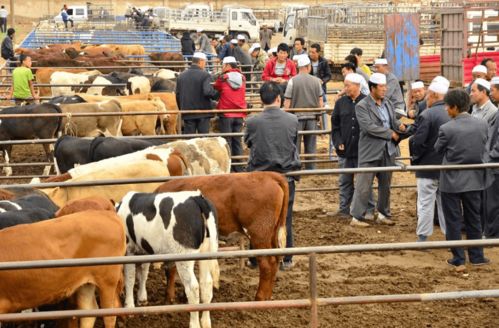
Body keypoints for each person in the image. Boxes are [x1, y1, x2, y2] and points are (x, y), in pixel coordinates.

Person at [244, 81, 301, 270]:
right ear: (279, 98)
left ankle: (255, 258)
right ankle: (286, 258)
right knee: (285, 217)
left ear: (261, 99)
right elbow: (294, 143)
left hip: (260, 177)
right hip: (285, 176)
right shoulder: (292, 120)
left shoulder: (252, 121)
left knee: (255, 218)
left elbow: (248, 144)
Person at [434, 88, 490, 267]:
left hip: (451, 182)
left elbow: (438, 149)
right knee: (474, 219)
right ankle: (477, 256)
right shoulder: (481, 124)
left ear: (455, 107)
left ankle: (458, 258)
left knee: (453, 220)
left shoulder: (446, 128)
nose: (445, 110)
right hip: (474, 179)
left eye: (447, 107)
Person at [349, 73, 406, 227]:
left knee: (385, 184)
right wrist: (390, 134)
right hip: (370, 150)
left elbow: (392, 120)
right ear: (372, 88)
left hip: (388, 150)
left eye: (385, 86)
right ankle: (356, 217)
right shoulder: (362, 106)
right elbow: (368, 127)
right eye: (381, 87)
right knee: (363, 184)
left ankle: (383, 213)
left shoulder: (387, 103)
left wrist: (399, 126)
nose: (384, 89)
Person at [408, 78, 450, 242]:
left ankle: (423, 236)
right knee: (445, 203)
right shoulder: (452, 113)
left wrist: (416, 159)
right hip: (447, 167)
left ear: (432, 94)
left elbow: (418, 142)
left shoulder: (427, 114)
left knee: (425, 202)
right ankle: (450, 235)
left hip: (427, 166)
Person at [331, 73, 375, 218]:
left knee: (364, 181)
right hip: (345, 149)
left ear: (357, 86)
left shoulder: (368, 102)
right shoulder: (340, 103)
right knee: (345, 180)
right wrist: (338, 142)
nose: (345, 88)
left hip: (363, 150)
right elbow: (335, 125)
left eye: (347, 85)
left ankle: (369, 209)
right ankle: (344, 209)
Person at [284, 56, 323, 170]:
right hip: (312, 117)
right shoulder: (316, 81)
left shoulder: (292, 81)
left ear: (299, 67)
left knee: (295, 144)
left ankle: (296, 167)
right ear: (308, 67)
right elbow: (320, 101)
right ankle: (311, 168)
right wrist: (319, 115)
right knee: (311, 144)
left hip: (296, 117)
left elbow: (287, 101)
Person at [213, 56, 246, 172]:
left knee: (227, 141)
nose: (222, 68)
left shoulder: (223, 78)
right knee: (237, 140)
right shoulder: (243, 78)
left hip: (226, 114)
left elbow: (216, 87)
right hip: (240, 114)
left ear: (227, 66)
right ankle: (239, 167)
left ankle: (229, 166)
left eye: (223, 65)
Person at [175, 52, 218, 134]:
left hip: (187, 112)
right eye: (205, 62)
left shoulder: (181, 75)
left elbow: (177, 95)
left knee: (189, 139)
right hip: (203, 112)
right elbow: (208, 92)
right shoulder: (205, 75)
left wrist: (182, 109)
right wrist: (217, 93)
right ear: (200, 61)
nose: (205, 64)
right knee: (203, 138)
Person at [484, 76, 499, 238]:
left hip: (495, 165)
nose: (491, 93)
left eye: (493, 90)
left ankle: (493, 234)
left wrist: (490, 157)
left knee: (493, 202)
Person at [308, 43, 332, 108]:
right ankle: (325, 102)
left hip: (320, 84)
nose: (310, 54)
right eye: (310, 52)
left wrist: (322, 81)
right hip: (308, 83)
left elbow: (329, 75)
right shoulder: (307, 60)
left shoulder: (324, 61)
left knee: (318, 84)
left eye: (313, 52)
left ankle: (324, 104)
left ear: (318, 53)